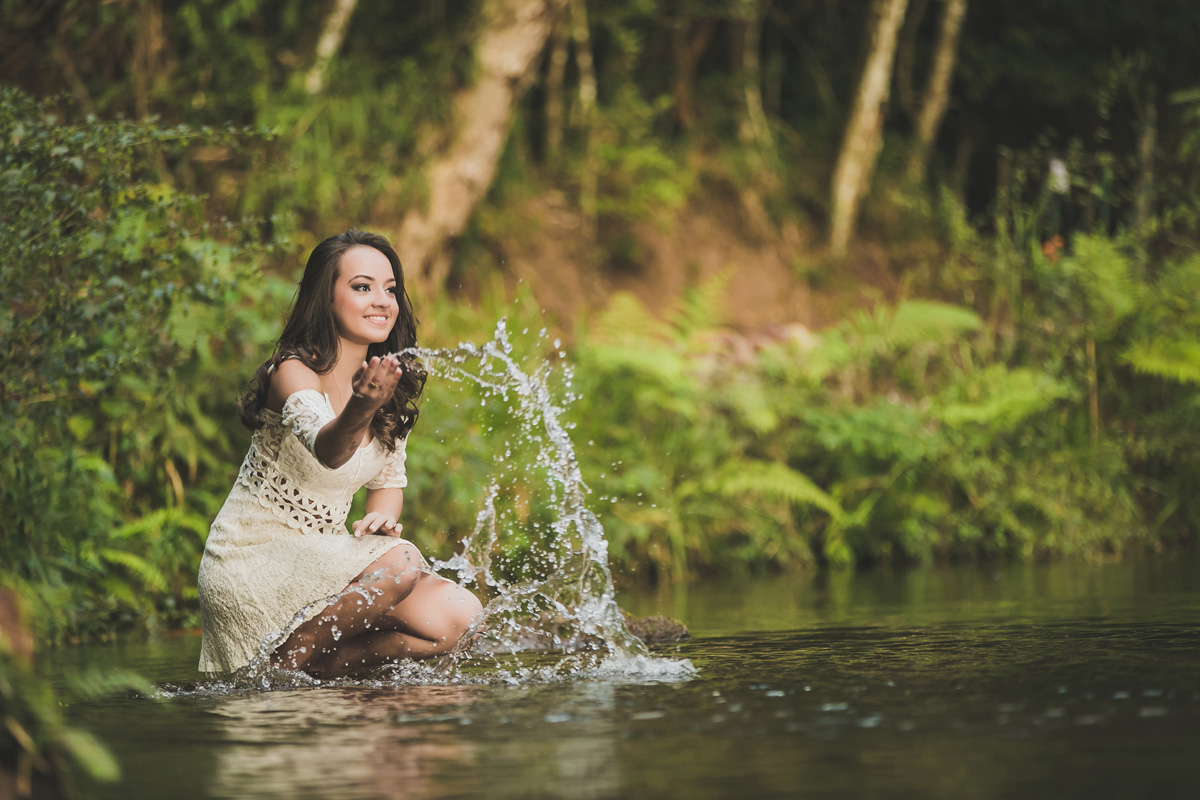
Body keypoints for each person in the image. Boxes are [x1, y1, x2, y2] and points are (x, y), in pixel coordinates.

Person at [197, 230, 484, 676]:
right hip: (252, 560)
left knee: (460, 617)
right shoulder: (293, 372)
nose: (382, 301)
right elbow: (329, 449)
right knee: (403, 561)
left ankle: (317, 670)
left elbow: (388, 482)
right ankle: (286, 664)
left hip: (322, 559)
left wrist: (383, 519)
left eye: (391, 290)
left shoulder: (389, 382)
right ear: (325, 298)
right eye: (362, 287)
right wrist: (362, 405)